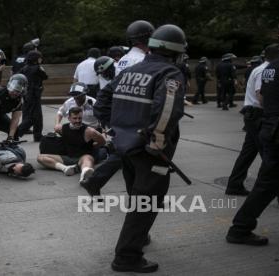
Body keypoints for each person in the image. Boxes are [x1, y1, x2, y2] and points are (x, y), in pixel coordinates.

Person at [95, 24, 187, 272]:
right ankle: (127, 256)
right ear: (175, 51)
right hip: (149, 151)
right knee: (146, 204)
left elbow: (102, 102)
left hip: (125, 148)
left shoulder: (130, 71)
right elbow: (168, 109)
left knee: (137, 198)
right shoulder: (170, 74)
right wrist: (157, 141)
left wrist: (113, 129)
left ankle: (139, 237)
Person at [86, 21, 154, 199]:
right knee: (132, 155)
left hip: (122, 110)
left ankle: (132, 194)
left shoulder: (123, 60)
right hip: (136, 113)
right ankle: (97, 182)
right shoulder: (142, 60)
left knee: (126, 156)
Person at [226, 44, 279, 246]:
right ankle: (240, 228)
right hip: (270, 126)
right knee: (266, 182)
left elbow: (263, 97)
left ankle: (240, 227)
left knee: (267, 180)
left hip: (269, 125)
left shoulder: (270, 68)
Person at [37, 106, 106, 183]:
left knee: (87, 160)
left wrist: (95, 145)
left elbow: (103, 142)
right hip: (68, 157)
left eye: (80, 118)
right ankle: (65, 169)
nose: (78, 120)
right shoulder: (63, 128)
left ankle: (85, 176)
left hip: (83, 157)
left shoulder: (90, 131)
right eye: (75, 118)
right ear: (69, 118)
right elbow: (57, 128)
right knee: (40, 157)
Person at [17, 50, 48, 142]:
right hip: (34, 94)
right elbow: (45, 76)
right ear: (35, 59)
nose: (41, 59)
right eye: (39, 58)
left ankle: (37, 135)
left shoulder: (24, 68)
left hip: (26, 94)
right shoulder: (37, 68)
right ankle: (16, 133)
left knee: (29, 115)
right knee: (34, 117)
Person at [0, 74, 26, 144]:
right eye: (13, 89)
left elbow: (15, 119)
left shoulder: (19, 99)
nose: (14, 93)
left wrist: (10, 138)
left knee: (15, 133)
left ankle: (10, 151)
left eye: (18, 91)